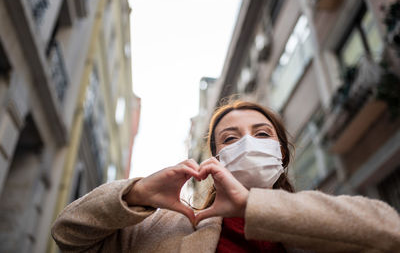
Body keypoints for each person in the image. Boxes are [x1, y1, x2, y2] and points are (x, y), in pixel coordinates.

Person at [52, 100, 400, 252]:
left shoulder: (321, 217)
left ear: (281, 152)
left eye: (262, 134)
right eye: (230, 138)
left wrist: (252, 205)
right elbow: (69, 233)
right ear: (216, 160)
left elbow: (389, 232)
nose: (248, 142)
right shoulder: (164, 229)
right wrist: (137, 193)